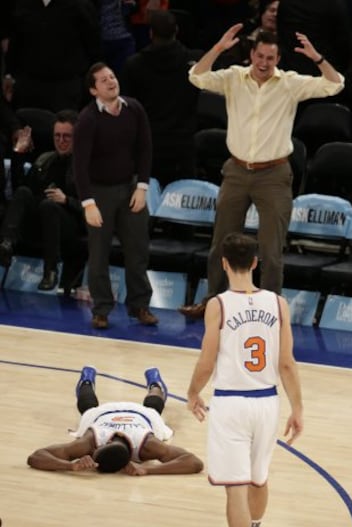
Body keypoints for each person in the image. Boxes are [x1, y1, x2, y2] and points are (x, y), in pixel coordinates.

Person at [179, 27, 344, 320]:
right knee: (221, 244)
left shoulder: (290, 84)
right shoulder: (232, 77)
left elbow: (335, 85)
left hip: (274, 174)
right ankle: (212, 304)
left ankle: (271, 313)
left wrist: (317, 58)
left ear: (278, 58)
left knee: (270, 250)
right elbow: (196, 77)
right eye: (259, 55)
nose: (264, 62)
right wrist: (217, 48)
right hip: (236, 171)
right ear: (251, 54)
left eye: (270, 57)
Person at [187, 232, 304, 527]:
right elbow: (287, 363)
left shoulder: (219, 305)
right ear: (255, 263)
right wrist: (298, 408)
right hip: (267, 403)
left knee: (235, 489)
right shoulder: (278, 304)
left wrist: (192, 392)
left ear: (224, 263)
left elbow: (207, 359)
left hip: (231, 403)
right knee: (258, 479)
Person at [73, 62, 158, 328]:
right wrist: (88, 204)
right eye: (103, 80)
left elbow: (145, 149)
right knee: (98, 254)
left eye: (112, 76)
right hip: (99, 192)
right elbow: (79, 166)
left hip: (130, 188)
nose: (111, 82)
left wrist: (142, 186)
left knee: (138, 250)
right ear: (93, 90)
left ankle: (140, 305)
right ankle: (101, 309)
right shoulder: (87, 119)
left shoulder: (134, 109)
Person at [28, 365, 204, 476]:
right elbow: (194, 462)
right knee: (153, 409)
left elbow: (36, 457)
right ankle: (154, 383)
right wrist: (148, 470)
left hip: (107, 414)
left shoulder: (90, 441)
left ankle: (87, 380)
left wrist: (70, 466)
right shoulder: (147, 445)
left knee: (88, 409)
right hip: (138, 415)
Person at [0, 110, 86, 292]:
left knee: (49, 205)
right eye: (57, 136)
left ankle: (51, 271)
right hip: (40, 224)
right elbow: (20, 192)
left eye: (67, 137)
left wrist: (67, 200)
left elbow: (95, 211)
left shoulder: (86, 167)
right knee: (24, 192)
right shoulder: (45, 160)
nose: (61, 141)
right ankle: (6, 245)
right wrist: (18, 154)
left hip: (71, 228)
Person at [121, 9, 203, 187]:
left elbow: (128, 109)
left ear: (150, 33)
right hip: (183, 147)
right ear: (177, 31)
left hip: (149, 147)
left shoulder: (133, 65)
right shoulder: (194, 63)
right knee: (182, 207)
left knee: (146, 206)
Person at [4, 0, 101, 112]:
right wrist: (9, 74)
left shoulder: (80, 6)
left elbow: (94, 48)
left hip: (67, 87)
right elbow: (15, 44)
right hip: (29, 86)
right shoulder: (23, 5)